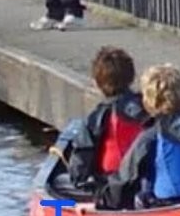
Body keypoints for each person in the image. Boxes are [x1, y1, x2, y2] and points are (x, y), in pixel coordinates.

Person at [80, 64, 180, 211]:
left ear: (148, 101)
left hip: (167, 206)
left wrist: (97, 204)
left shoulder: (149, 137)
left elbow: (123, 181)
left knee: (139, 195)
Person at [62, 47, 149, 187]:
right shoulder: (149, 106)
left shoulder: (95, 118)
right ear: (131, 77)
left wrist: (77, 178)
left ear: (97, 83)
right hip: (147, 178)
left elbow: (81, 165)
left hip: (111, 183)